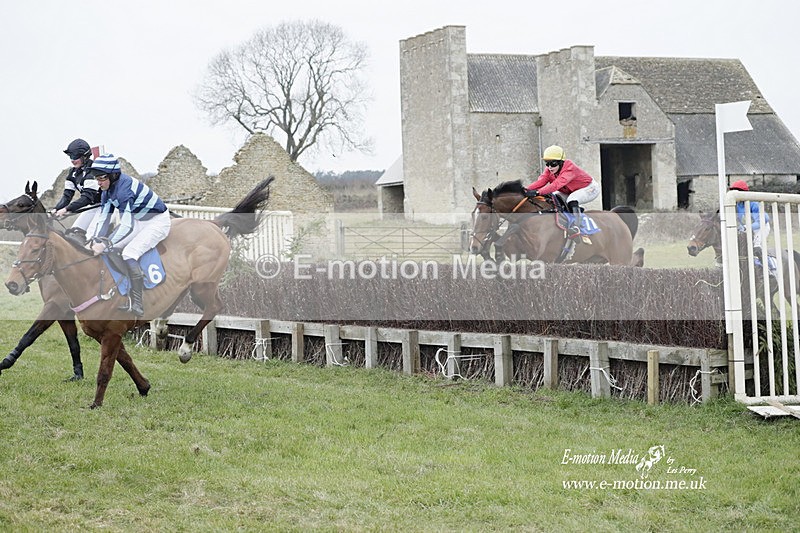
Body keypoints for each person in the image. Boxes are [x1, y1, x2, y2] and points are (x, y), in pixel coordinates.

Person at [85, 154, 171, 317]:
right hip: (140, 220)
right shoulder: (106, 190)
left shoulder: (124, 189)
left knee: (129, 253)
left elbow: (126, 225)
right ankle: (122, 290)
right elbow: (103, 219)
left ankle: (138, 303)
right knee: (112, 248)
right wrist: (94, 241)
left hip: (157, 222)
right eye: (97, 178)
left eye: (102, 178)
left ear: (113, 175)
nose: (99, 182)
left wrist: (104, 244)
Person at [524, 145, 601, 239]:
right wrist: (525, 190)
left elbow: (556, 185)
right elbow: (541, 181)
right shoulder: (549, 170)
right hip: (569, 190)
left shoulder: (570, 168)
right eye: (547, 164)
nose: (549, 167)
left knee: (572, 199)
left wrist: (537, 193)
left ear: (561, 163)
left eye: (553, 164)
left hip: (589, 188)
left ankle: (577, 227)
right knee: (553, 197)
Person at [53, 139, 101, 237]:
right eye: (70, 156)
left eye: (75, 156)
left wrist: (66, 209)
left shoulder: (92, 171)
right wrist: (56, 209)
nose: (72, 160)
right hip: (92, 207)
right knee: (74, 233)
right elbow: (67, 196)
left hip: (106, 207)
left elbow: (86, 198)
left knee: (90, 236)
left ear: (85, 156)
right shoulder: (73, 173)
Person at [729, 180, 770, 266]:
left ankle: (768, 268)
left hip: (761, 227)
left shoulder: (753, 204)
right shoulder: (736, 205)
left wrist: (745, 227)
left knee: (756, 247)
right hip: (747, 228)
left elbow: (762, 220)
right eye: (733, 191)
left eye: (737, 191)